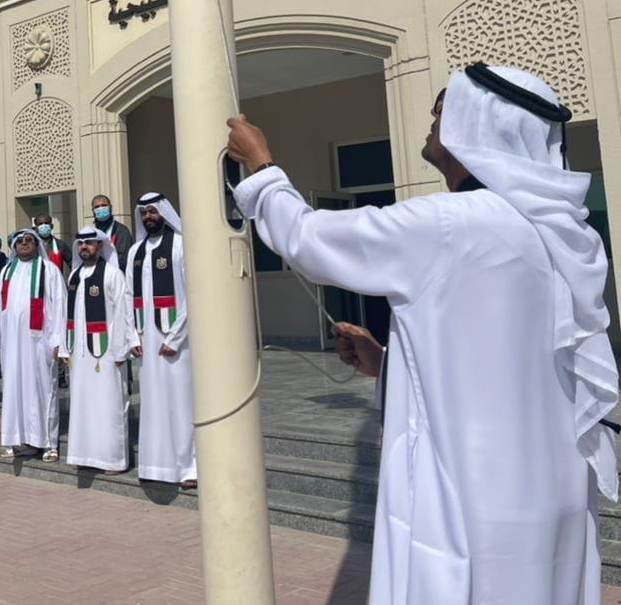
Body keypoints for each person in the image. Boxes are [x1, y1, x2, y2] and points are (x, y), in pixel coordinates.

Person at [227, 63, 619, 605]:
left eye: (442, 110)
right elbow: (496, 357)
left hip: (470, 498)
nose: (433, 121)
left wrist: (261, 167)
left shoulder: (451, 222)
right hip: (553, 491)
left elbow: (308, 239)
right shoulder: (557, 232)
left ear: (476, 126)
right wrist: (387, 361)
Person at [127, 192, 197, 488]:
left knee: (181, 404)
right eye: (143, 213)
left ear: (163, 213)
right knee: (153, 404)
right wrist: (132, 336)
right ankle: (156, 465)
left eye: (153, 211)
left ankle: (189, 467)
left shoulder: (181, 245)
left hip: (176, 343)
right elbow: (128, 297)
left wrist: (176, 337)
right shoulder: (135, 251)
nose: (148, 217)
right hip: (146, 342)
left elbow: (193, 294)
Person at [0, 228, 66, 461]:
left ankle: (48, 444)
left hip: (40, 342)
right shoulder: (8, 270)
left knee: (43, 390)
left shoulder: (49, 270)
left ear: (37, 245)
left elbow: (60, 305)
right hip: (12, 343)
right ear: (14, 247)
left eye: (29, 241)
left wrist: (59, 340)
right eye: (20, 242)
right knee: (14, 390)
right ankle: (19, 441)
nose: (24, 244)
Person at [58, 227, 138, 473]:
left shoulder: (113, 275)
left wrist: (121, 349)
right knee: (83, 405)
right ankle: (85, 456)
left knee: (109, 404)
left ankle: (112, 458)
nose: (84, 247)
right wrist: (65, 347)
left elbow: (124, 313)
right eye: (81, 244)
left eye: (89, 243)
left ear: (100, 246)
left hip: (107, 352)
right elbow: (67, 315)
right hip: (79, 354)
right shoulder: (74, 276)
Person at [90, 195, 134, 271]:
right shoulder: (91, 232)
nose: (100, 208)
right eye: (97, 207)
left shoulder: (121, 231)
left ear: (110, 207)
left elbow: (122, 259)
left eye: (104, 205)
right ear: (93, 211)